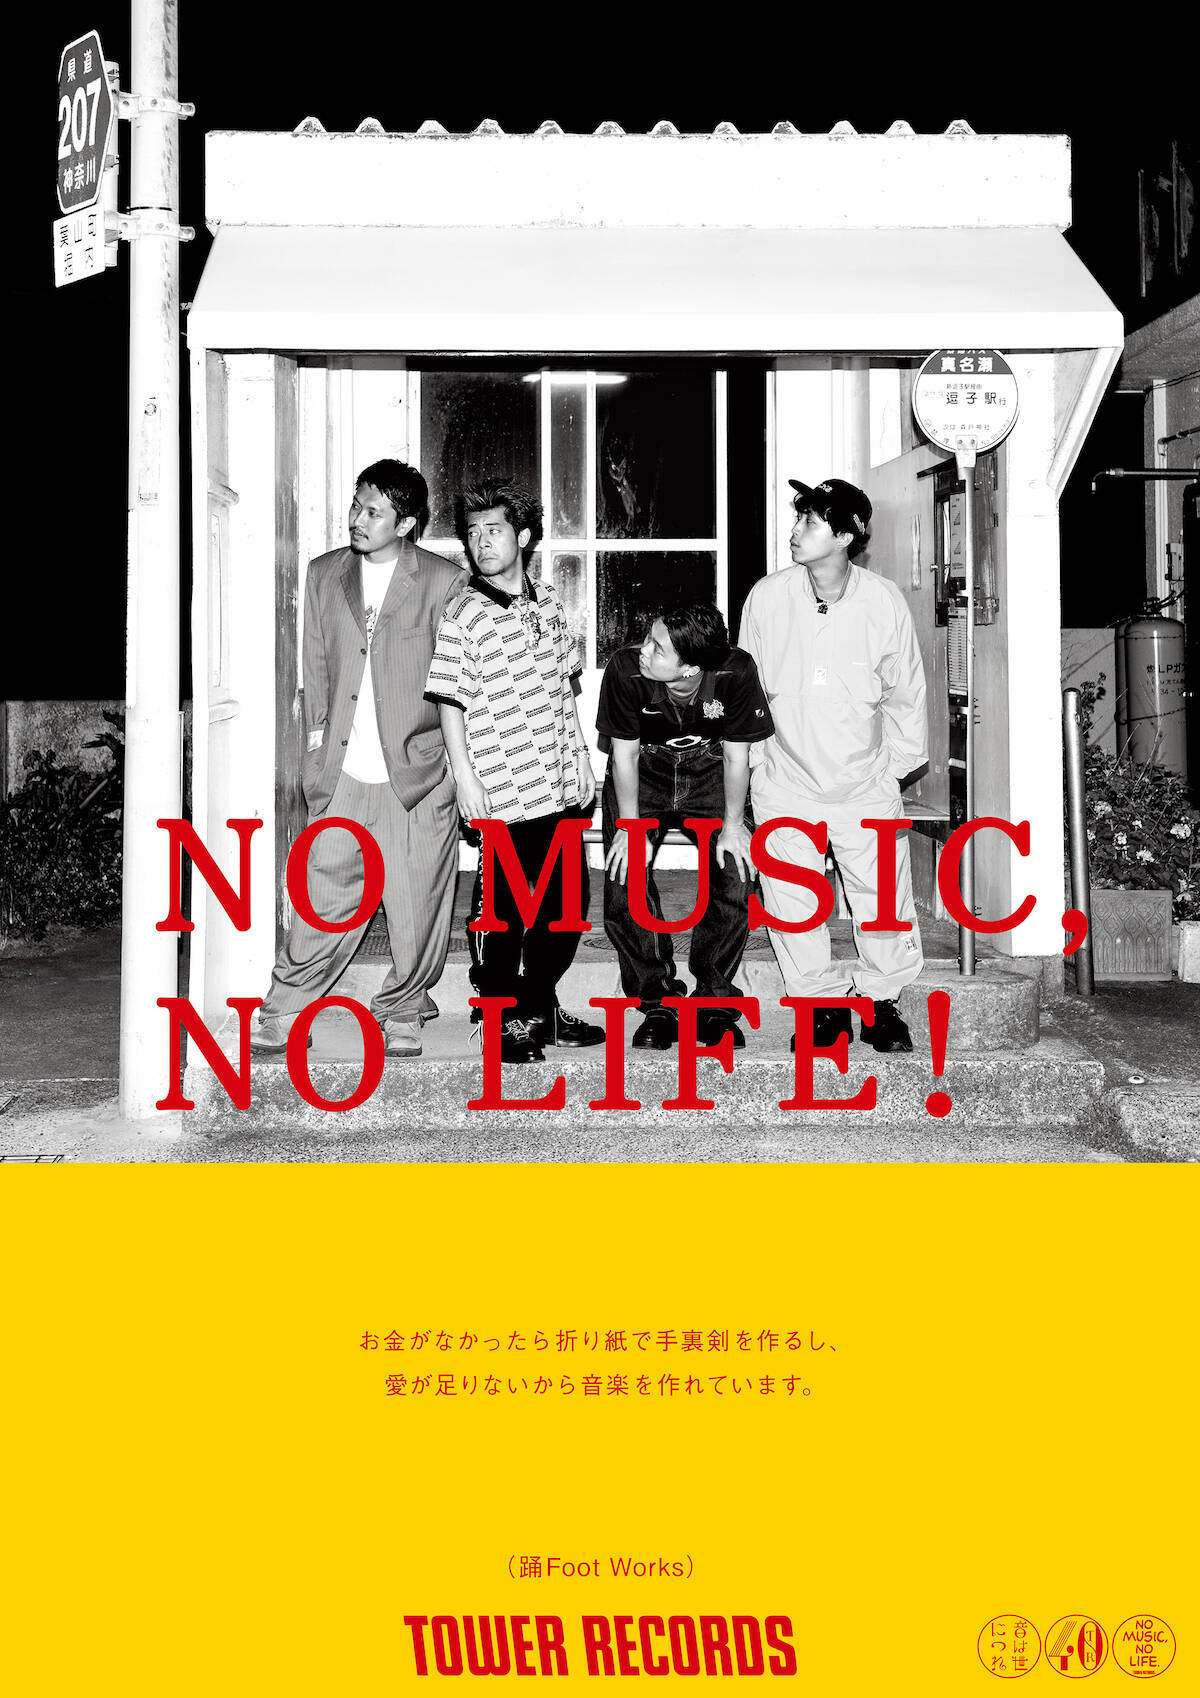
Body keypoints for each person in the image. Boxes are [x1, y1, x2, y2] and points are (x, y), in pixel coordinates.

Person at [250, 459, 464, 1060]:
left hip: (418, 772)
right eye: (355, 505)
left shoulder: (444, 581)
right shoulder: (325, 574)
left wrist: (455, 768)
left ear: (407, 523)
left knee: (418, 901)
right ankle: (286, 1007)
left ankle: (404, 1008)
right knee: (323, 892)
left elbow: (458, 680)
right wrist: (317, 754)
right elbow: (315, 667)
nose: (357, 519)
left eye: (373, 512)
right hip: (342, 769)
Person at [739, 477, 927, 1053]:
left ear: (846, 536)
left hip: (864, 784)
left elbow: (906, 693)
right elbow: (746, 688)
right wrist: (753, 769)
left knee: (883, 900)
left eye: (811, 521)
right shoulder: (767, 597)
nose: (795, 531)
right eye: (798, 518)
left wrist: (891, 771)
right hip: (785, 782)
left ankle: (880, 1002)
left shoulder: (883, 601)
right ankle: (819, 1006)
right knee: (792, 902)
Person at [425, 476, 604, 1064]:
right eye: (473, 532)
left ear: (523, 536)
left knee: (564, 909)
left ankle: (538, 1008)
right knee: (501, 913)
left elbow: (565, 689)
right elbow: (449, 703)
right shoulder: (463, 615)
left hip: (559, 783)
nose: (482, 542)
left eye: (494, 530)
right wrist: (466, 778)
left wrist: (581, 756)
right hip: (501, 790)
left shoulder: (548, 601)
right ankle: (500, 1017)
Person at [597, 603, 774, 1050]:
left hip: (712, 768)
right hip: (645, 770)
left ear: (691, 668)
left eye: (657, 648)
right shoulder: (625, 670)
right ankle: (658, 1001)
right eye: (648, 638)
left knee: (735, 870)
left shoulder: (735, 672)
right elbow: (624, 755)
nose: (643, 650)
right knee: (624, 871)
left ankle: (714, 1002)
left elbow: (736, 756)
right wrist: (630, 830)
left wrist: (733, 826)